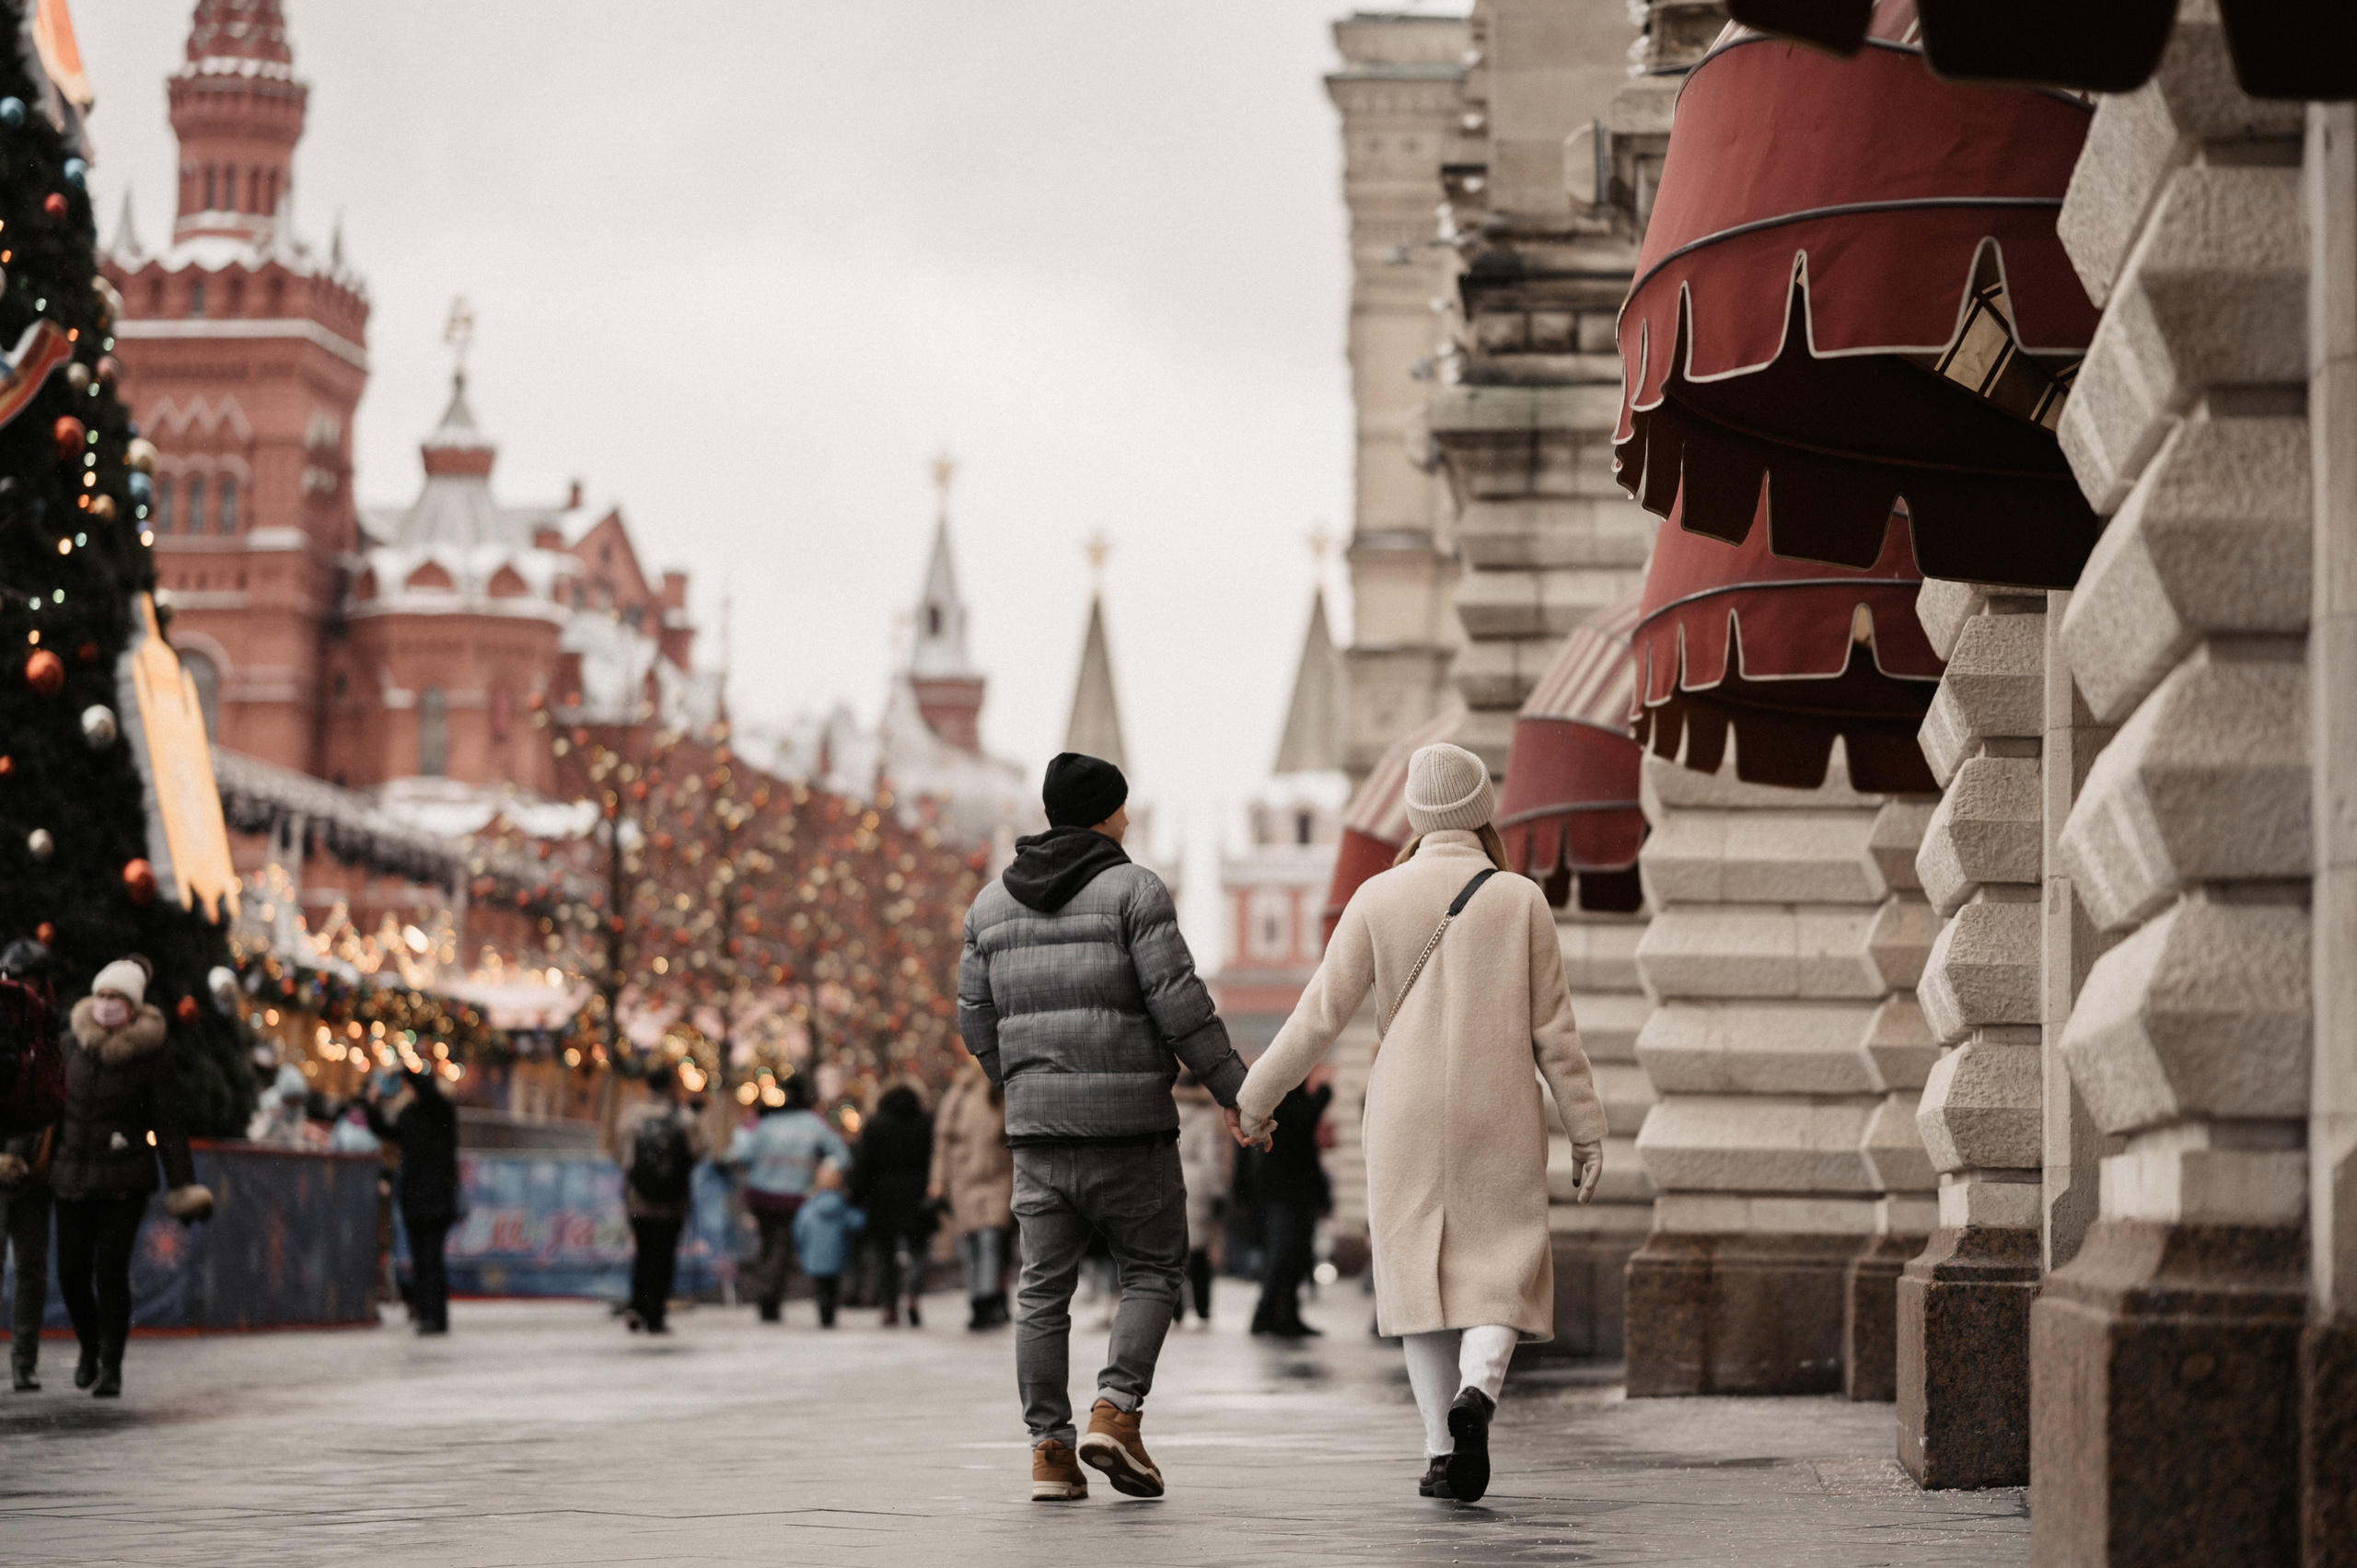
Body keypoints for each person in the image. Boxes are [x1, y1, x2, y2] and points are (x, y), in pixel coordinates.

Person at [1235, 743, 1606, 1504]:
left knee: (1418, 1279)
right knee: (1503, 1265)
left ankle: (1442, 1450)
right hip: (1495, 1099)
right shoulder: (1520, 898)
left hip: (1400, 1108)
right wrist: (1588, 1129)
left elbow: (1317, 1019)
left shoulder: (1377, 895)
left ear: (1413, 810)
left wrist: (1255, 1096)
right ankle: (1478, 1392)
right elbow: (1556, 1035)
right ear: (1480, 809)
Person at [958, 751, 1249, 1503]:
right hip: (1131, 1133)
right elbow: (1181, 1004)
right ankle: (1116, 1410)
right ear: (1109, 813)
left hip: (1038, 1140)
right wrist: (1237, 1091)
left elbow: (974, 1018)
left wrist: (1020, 1084)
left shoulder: (988, 906)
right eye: (1122, 807)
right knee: (1152, 1270)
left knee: (1041, 1290)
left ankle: (1049, 1452)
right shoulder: (1134, 890)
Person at [49, 957, 214, 1398]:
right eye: (101, 995)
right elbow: (47, 1109)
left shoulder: (150, 1055)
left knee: (110, 1271)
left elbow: (170, 1124)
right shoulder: (68, 1044)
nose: (105, 1005)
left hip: (125, 1179)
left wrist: (183, 1185)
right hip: (71, 1176)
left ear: (133, 1006)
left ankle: (111, 1365)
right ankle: (89, 1345)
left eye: (115, 998)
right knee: (70, 1274)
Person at [724, 1074, 847, 1322]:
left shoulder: (763, 1120)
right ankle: (769, 1296)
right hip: (794, 1195)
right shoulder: (813, 1122)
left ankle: (768, 1295)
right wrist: (827, 1173)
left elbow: (741, 1153)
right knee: (781, 1246)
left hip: (760, 1192)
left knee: (769, 1244)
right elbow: (841, 1153)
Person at [0, 938, 59, 1392]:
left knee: (32, 1268)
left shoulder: (50, 1027)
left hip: (36, 1167)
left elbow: (56, 1099)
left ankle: (24, 1360)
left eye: (27, 981)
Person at [362, 1068, 460, 1334]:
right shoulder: (409, 1117)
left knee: (431, 1260)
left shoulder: (441, 1113)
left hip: (438, 1200)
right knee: (420, 1261)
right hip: (415, 1201)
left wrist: (404, 1068)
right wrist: (372, 1102)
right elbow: (385, 1129)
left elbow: (428, 1093)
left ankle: (436, 1317)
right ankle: (424, 1313)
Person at [614, 1063, 706, 1334]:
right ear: (670, 1085)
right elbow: (699, 1151)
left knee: (642, 1252)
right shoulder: (684, 1117)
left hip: (638, 1200)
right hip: (673, 1201)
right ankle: (655, 1314)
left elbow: (621, 1156)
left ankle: (636, 1306)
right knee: (665, 1255)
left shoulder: (632, 1117)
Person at [929, 1057, 1014, 1330]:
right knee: (972, 1242)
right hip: (964, 1178)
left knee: (989, 1239)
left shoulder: (1000, 1091)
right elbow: (942, 1142)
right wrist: (938, 1181)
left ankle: (985, 1300)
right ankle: (978, 1297)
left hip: (997, 1177)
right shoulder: (960, 1093)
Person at [1248, 1079, 1332, 1339]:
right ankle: (1265, 1315)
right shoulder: (1282, 1100)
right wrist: (1322, 1098)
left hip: (1296, 1191)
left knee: (1296, 1255)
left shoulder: (1288, 1097)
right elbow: (1301, 1123)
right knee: (1283, 1254)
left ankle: (1288, 1315)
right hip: (1285, 1193)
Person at [852, 1083, 935, 1327]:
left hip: (883, 1195)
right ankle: (912, 1296)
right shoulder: (926, 1122)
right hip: (917, 1194)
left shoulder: (876, 1124)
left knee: (884, 1255)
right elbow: (933, 1157)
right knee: (918, 1251)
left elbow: (865, 1163)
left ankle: (888, 1305)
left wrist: (857, 1195)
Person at [1171, 1067, 1229, 1327]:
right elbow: (1210, 1158)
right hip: (1198, 1185)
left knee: (1173, 1250)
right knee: (1199, 1252)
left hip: (1170, 1180)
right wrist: (1217, 1192)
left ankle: (1176, 1309)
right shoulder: (1205, 1116)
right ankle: (1203, 1309)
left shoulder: (1166, 1112)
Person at [790, 1160, 865, 1329]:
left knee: (820, 1287)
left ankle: (823, 1312)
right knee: (832, 1286)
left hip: (814, 1256)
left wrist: (801, 1249)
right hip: (836, 1255)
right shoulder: (842, 1206)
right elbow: (856, 1223)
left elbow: (799, 1229)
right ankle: (830, 1314)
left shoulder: (809, 1206)